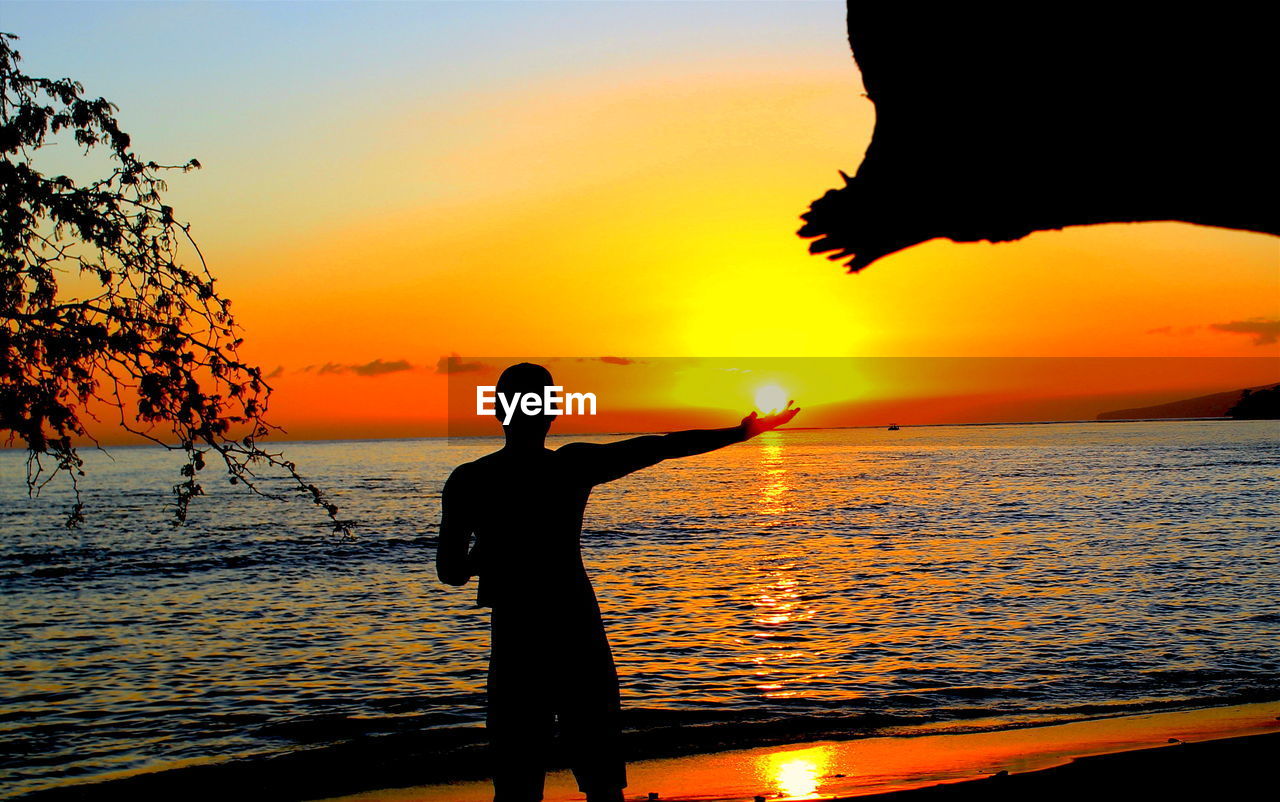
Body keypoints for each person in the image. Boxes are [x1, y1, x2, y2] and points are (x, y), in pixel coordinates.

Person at [437, 362, 799, 802]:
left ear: (498, 411)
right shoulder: (571, 466)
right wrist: (742, 433)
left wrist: (488, 553)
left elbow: (451, 573)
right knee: (600, 778)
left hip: (519, 639)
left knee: (517, 779)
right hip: (576, 631)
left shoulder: (469, 480)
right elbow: (661, 447)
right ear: (550, 412)